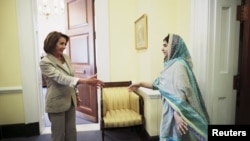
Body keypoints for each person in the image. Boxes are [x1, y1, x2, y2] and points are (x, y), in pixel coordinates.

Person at [128, 33, 209, 141]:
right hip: (171, 113)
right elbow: (159, 84)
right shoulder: (171, 65)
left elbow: (180, 95)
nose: (162, 48)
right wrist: (140, 83)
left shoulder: (179, 66)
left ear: (174, 47)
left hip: (178, 116)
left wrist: (177, 114)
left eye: (165, 45)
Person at [39, 31, 104, 141]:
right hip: (56, 101)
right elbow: (60, 78)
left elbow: (70, 76)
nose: (64, 47)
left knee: (71, 132)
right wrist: (86, 81)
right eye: (61, 44)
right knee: (58, 135)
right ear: (52, 43)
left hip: (70, 99)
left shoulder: (66, 57)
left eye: (65, 44)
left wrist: (76, 94)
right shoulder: (45, 62)